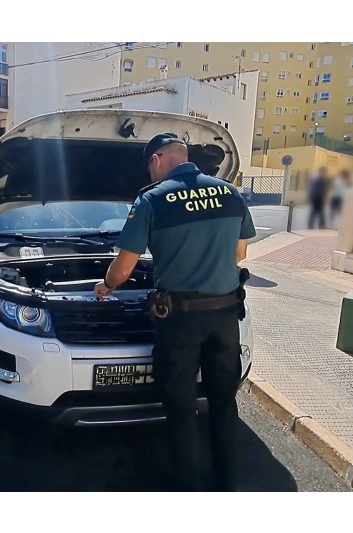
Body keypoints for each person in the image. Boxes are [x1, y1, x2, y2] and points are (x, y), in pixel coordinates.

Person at [94, 133, 256, 491]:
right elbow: (239, 254)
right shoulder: (229, 193)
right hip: (226, 315)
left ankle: (190, 489)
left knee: (182, 409)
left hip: (180, 321)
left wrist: (107, 285)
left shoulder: (152, 199)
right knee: (223, 402)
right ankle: (230, 483)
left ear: (157, 160)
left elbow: (123, 267)